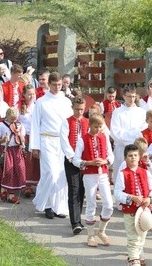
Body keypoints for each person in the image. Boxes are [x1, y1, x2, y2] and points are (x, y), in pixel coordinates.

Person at [30, 72, 72, 218]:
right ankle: (46, 204)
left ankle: (59, 206)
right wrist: (35, 146)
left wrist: (72, 143)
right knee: (50, 173)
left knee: (61, 175)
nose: (57, 87)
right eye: (54, 85)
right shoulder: (41, 102)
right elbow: (35, 123)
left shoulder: (66, 102)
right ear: (49, 84)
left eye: (59, 85)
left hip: (62, 141)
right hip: (46, 140)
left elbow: (70, 123)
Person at [73, 113, 114, 247]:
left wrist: (105, 161)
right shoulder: (82, 139)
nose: (98, 129)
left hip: (103, 174)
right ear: (90, 125)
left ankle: (101, 231)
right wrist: (89, 162)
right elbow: (76, 160)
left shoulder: (104, 137)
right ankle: (90, 235)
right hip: (89, 175)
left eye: (100, 127)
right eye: (95, 127)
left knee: (108, 204)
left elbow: (110, 155)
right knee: (91, 204)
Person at [114, 144, 152, 266]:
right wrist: (131, 197)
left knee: (141, 236)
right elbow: (117, 193)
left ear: (139, 157)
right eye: (130, 156)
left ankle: (136, 255)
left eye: (135, 155)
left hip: (144, 212)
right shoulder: (123, 174)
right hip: (130, 211)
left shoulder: (145, 172)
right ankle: (134, 260)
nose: (133, 158)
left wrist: (150, 198)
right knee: (133, 237)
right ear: (125, 158)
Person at [60, 96, 88, 231]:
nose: (79, 112)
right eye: (77, 109)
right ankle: (75, 222)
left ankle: (79, 219)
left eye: (82, 109)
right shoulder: (66, 122)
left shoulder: (87, 122)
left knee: (82, 190)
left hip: (85, 161)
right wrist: (72, 157)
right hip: (71, 160)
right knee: (74, 190)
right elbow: (64, 141)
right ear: (72, 108)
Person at [110, 86, 147, 186]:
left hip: (136, 150)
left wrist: (132, 138)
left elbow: (143, 130)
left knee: (136, 178)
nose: (132, 99)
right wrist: (132, 136)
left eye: (134, 96)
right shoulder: (117, 112)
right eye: (129, 96)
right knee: (121, 178)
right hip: (121, 149)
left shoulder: (141, 112)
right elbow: (115, 132)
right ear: (123, 96)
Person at [0, 107, 26, 204]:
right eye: (12, 118)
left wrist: (21, 140)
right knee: (8, 171)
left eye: (15, 118)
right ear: (7, 116)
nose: (13, 120)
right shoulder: (1, 125)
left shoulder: (19, 125)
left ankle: (4, 190)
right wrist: (3, 140)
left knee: (18, 170)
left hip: (17, 150)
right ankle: (10, 195)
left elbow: (23, 138)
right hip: (7, 150)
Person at [18, 84, 39, 198]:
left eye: (33, 94)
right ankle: (26, 185)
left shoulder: (37, 106)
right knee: (25, 161)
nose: (31, 96)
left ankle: (34, 184)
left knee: (33, 161)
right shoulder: (19, 107)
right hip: (23, 136)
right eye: (29, 94)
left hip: (34, 135)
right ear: (24, 95)